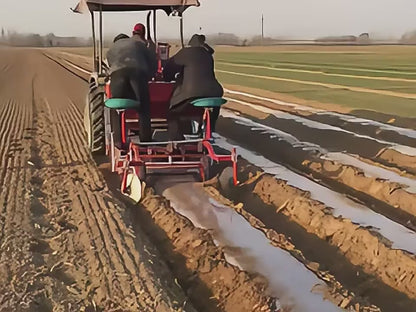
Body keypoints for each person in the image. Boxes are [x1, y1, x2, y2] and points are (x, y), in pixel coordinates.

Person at [164, 34, 224, 140]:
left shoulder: (186, 53)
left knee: (172, 113)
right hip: (215, 91)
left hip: (193, 92)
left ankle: (176, 139)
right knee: (209, 109)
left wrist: (167, 78)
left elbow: (169, 67)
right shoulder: (207, 54)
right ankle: (210, 129)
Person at [106, 32, 157, 142]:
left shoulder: (111, 49)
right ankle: (145, 139)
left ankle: (118, 141)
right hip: (137, 73)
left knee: (117, 107)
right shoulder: (138, 44)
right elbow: (152, 60)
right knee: (143, 107)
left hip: (117, 75)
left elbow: (111, 65)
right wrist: (151, 75)